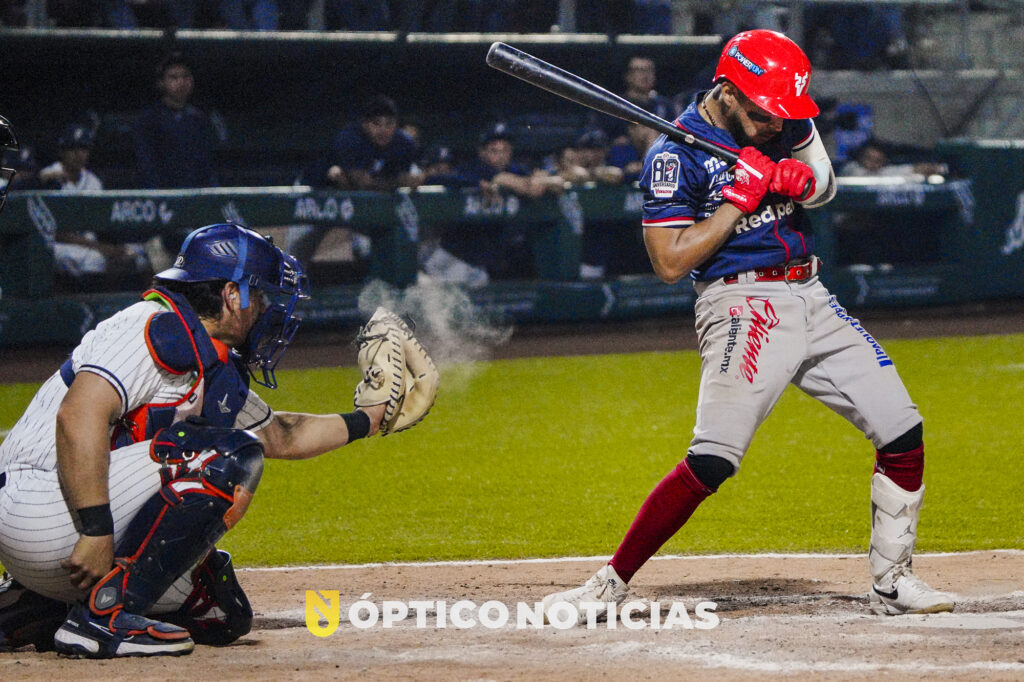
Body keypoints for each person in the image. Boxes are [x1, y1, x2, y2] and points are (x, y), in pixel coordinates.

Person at [541, 30, 955, 623]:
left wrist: (794, 179)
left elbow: (824, 183)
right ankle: (607, 585)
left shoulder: (782, 115)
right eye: (763, 114)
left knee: (902, 431)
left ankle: (891, 581)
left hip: (811, 293)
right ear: (728, 92)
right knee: (712, 460)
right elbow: (669, 263)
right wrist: (738, 199)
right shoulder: (673, 156)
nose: (774, 125)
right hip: (741, 302)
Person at [0, 222, 437, 657]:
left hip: (57, 529)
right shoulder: (148, 326)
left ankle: (31, 609)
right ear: (232, 295)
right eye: (259, 295)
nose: (266, 308)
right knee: (225, 458)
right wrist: (95, 531)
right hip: (36, 506)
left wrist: (370, 419)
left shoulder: (204, 356)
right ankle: (103, 618)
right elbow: (77, 415)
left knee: (219, 609)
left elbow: (282, 436)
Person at [286, 95, 422, 277]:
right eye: (376, 123)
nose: (383, 130)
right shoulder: (350, 138)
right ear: (365, 124)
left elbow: (407, 180)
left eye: (389, 124)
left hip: (356, 198)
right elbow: (361, 183)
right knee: (295, 256)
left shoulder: (404, 143)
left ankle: (374, 291)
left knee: (371, 247)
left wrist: (399, 181)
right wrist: (397, 182)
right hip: (317, 192)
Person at [39, 123, 153, 289]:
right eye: (72, 149)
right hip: (60, 246)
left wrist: (115, 248)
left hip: (89, 245)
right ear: (61, 152)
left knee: (139, 255)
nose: (78, 154)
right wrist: (104, 248)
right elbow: (55, 233)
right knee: (90, 260)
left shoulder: (93, 181)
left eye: (83, 149)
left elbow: (103, 224)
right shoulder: (49, 178)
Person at [591, 56, 677, 146]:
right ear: (628, 76)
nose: (645, 75)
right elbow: (600, 134)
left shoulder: (665, 105)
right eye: (639, 70)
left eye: (649, 70)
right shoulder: (615, 104)